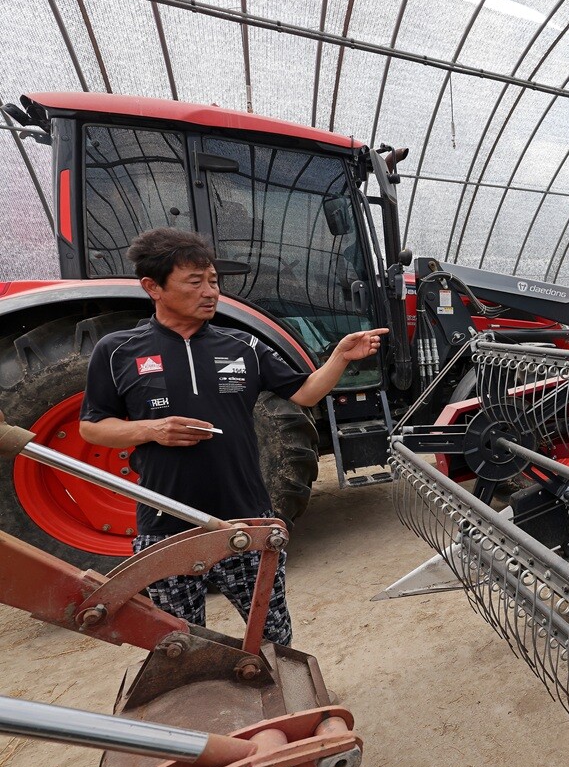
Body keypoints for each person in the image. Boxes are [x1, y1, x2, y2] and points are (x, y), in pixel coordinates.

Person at [79, 228, 387, 644]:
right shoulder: (118, 350)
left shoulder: (244, 345)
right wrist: (152, 429)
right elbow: (92, 426)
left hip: (245, 518)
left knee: (273, 633)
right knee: (181, 640)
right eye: (195, 282)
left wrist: (339, 358)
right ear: (153, 287)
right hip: (164, 527)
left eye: (214, 282)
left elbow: (305, 392)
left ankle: (282, 699)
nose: (210, 292)